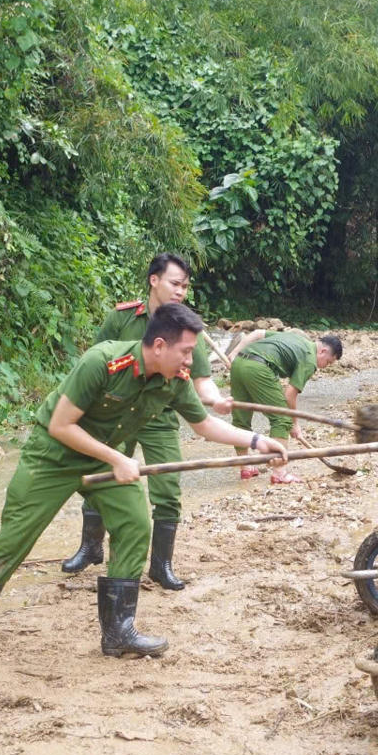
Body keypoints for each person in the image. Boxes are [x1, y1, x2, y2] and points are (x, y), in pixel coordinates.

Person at [0, 304, 287, 668]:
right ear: (158, 345)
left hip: (108, 458)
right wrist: (118, 459)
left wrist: (256, 442)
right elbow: (61, 425)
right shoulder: (102, 363)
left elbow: (203, 425)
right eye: (186, 351)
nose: (191, 360)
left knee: (135, 524)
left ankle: (118, 633)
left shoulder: (174, 380)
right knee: (14, 538)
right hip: (53, 457)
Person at [61, 253, 231, 591]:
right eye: (174, 283)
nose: (180, 291)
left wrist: (215, 400)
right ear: (154, 280)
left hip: (160, 414)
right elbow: (97, 364)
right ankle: (91, 547)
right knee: (101, 477)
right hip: (117, 412)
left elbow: (200, 381)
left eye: (185, 286)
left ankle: (161, 565)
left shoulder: (186, 328)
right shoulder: (121, 318)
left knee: (167, 487)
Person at [226, 330, 343, 484]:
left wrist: (234, 352)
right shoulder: (310, 360)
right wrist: (294, 423)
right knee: (282, 419)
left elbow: (258, 333)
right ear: (323, 351)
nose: (325, 366)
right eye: (328, 362)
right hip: (259, 368)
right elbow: (290, 394)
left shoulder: (295, 337)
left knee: (241, 417)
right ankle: (279, 473)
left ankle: (245, 467)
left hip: (239, 362)